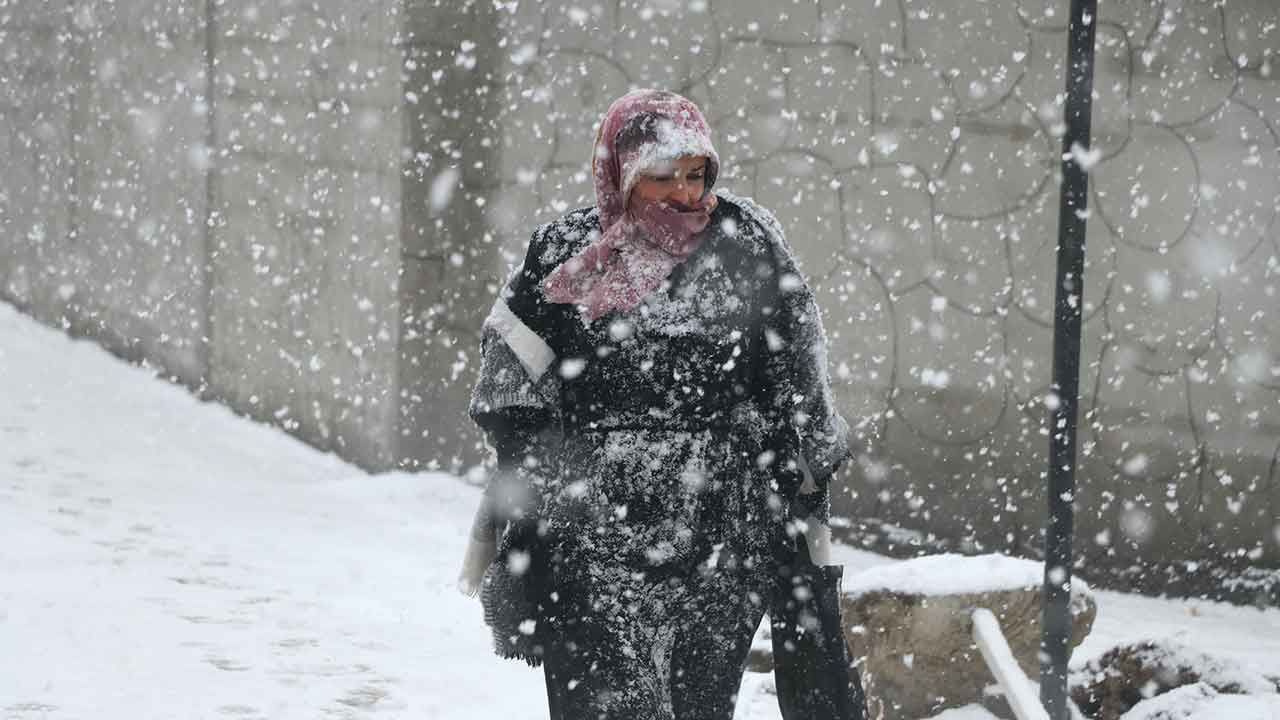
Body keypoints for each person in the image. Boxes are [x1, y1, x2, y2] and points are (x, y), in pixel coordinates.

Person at [459, 89, 854, 719]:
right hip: (593, 534)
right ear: (621, 173)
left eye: (696, 175)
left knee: (699, 705)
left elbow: (796, 370)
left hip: (720, 533)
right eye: (661, 177)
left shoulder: (745, 244)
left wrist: (797, 473)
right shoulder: (567, 255)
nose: (684, 195)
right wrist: (542, 475)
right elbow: (510, 383)